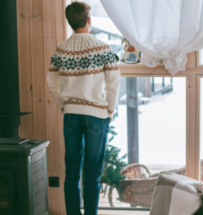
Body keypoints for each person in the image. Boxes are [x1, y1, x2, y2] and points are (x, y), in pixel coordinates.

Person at [46, 2, 120, 215]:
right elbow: (113, 82)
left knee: (71, 173)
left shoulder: (61, 50)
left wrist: (64, 105)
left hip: (71, 115)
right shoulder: (103, 48)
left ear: (70, 23)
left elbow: (52, 84)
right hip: (97, 116)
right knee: (93, 174)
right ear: (89, 20)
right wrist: (110, 109)